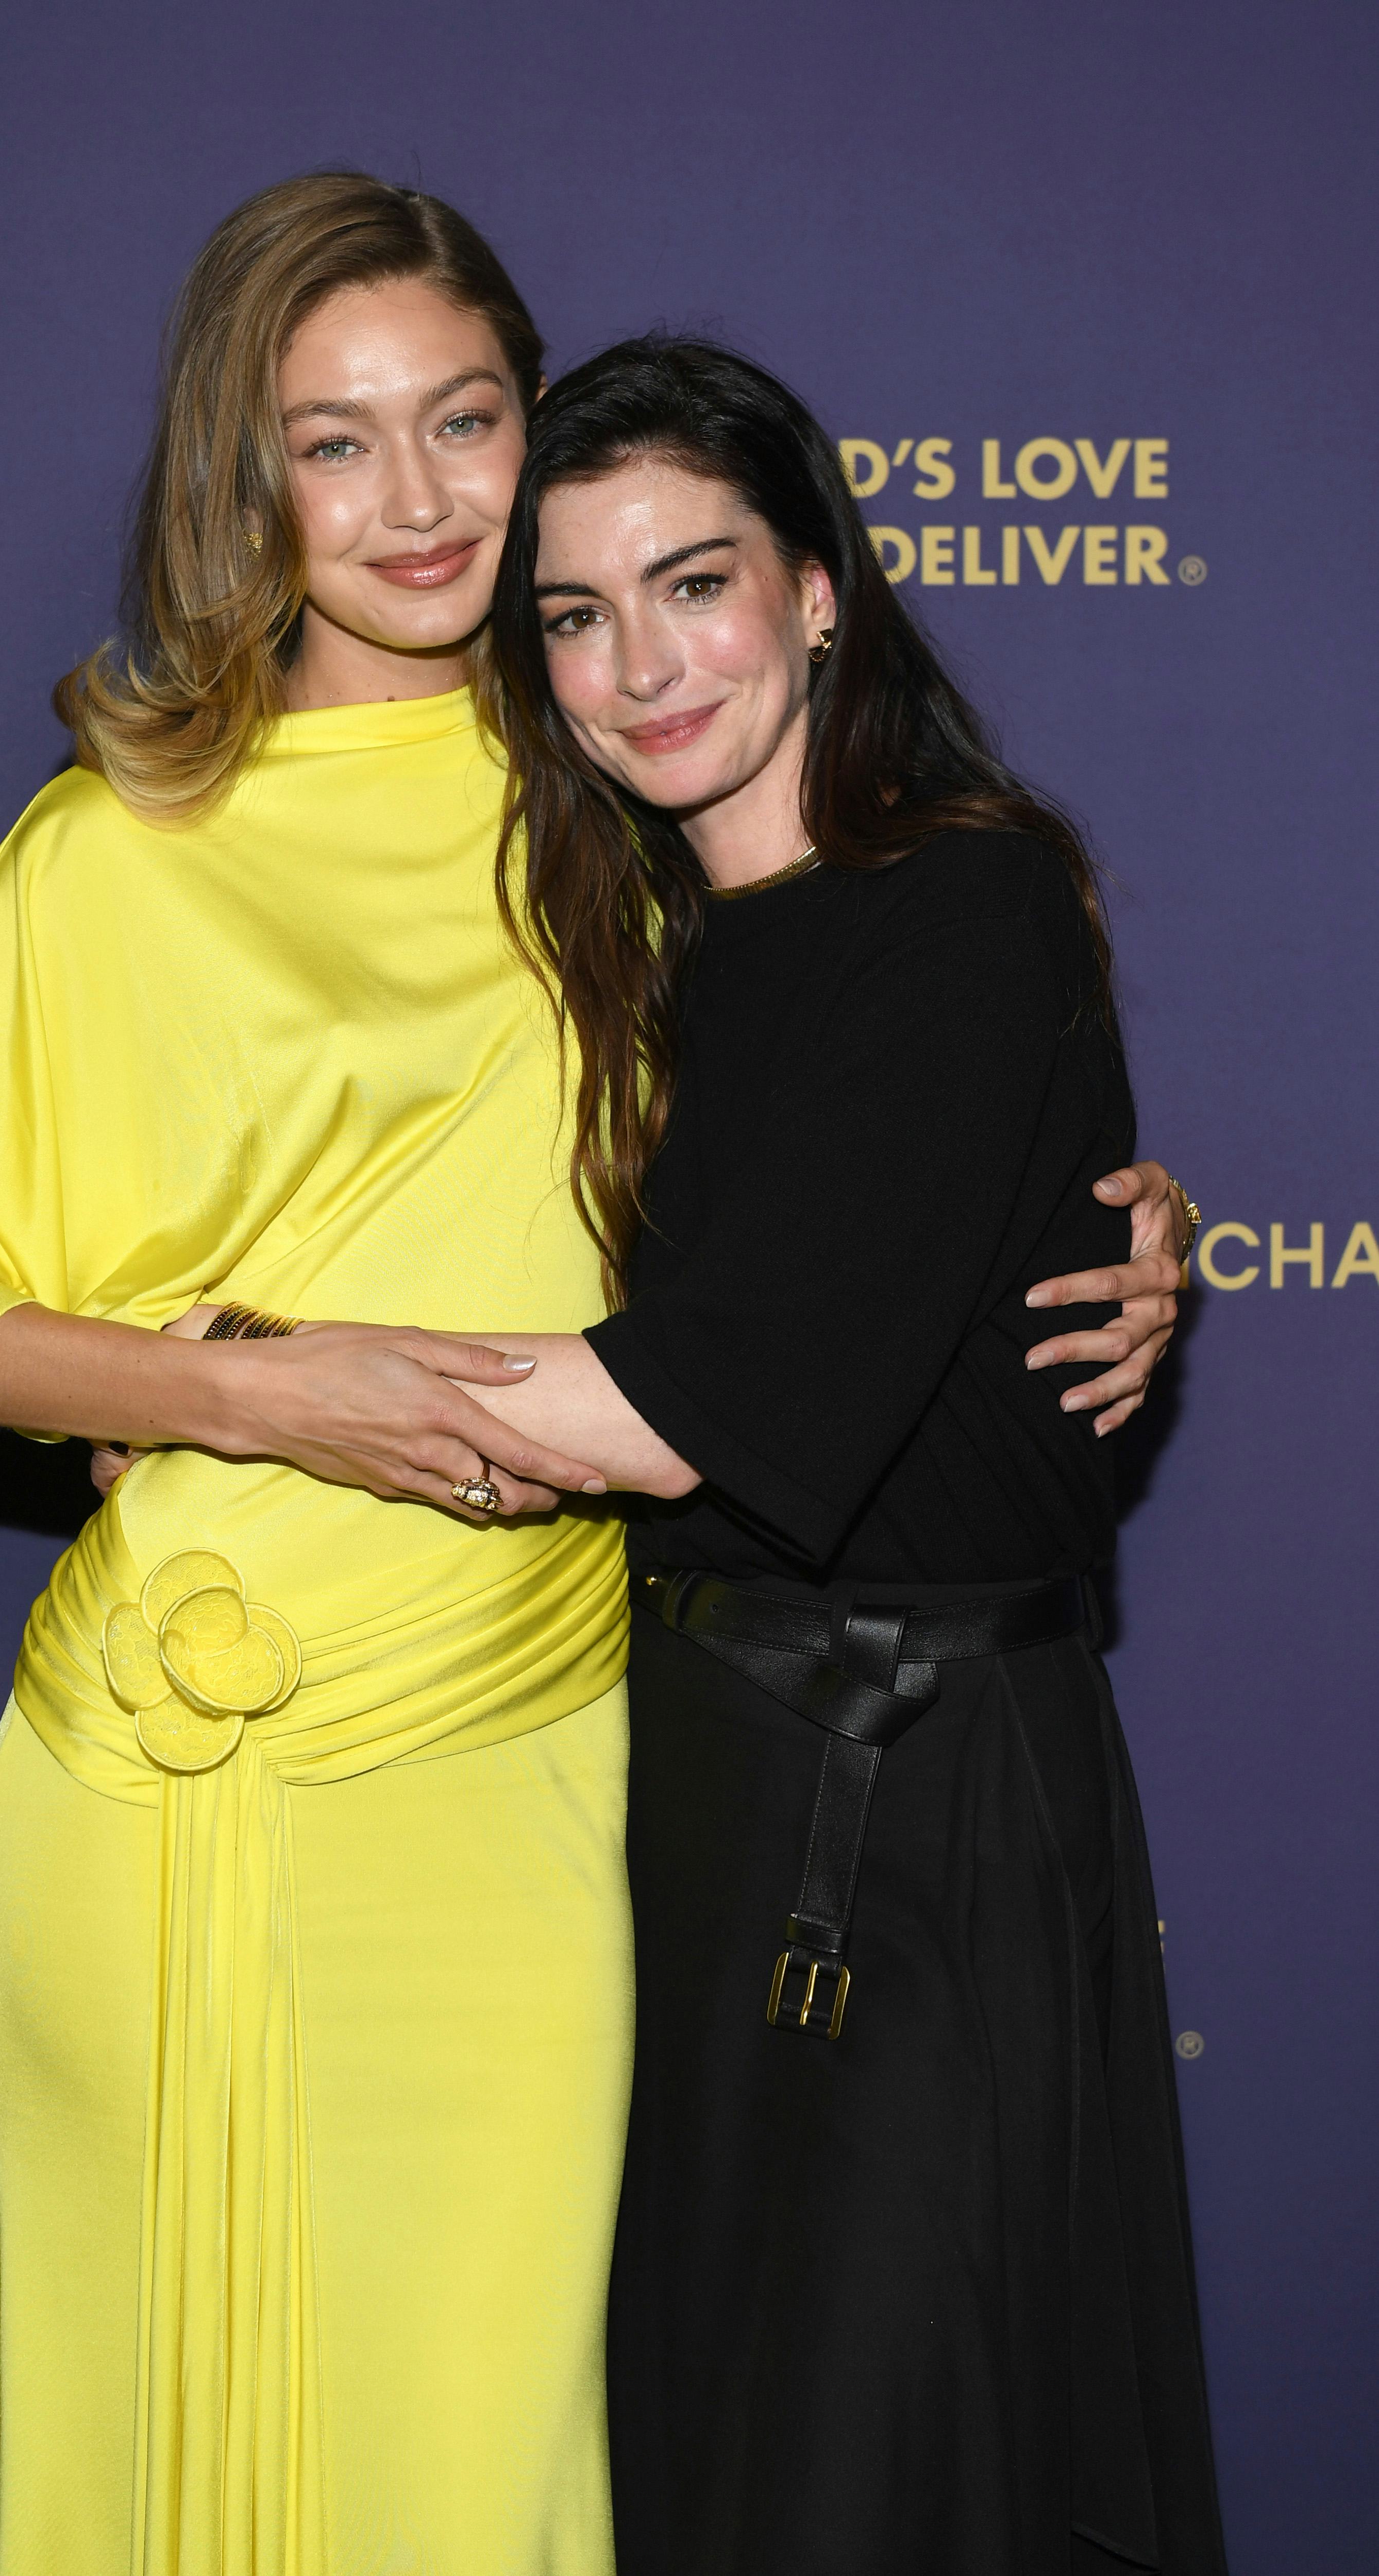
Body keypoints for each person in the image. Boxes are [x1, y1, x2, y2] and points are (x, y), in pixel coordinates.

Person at [0, 172, 1184, 2576]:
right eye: (335, 440)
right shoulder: (119, 842)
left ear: (538, 433)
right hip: (178, 1765)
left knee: (496, 2459)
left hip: (542, 1764)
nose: (414, 500)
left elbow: (854, 1103)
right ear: (250, 477)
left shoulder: (619, 801)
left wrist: (1099, 1207)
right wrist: (245, 1388)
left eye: (467, 419)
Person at [454, 336, 1225, 2574]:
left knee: (893, 2469)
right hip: (693, 1780)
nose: (640, 665)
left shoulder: (965, 905)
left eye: (693, 583)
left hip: (916, 1805)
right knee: (718, 2453)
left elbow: (671, 1407)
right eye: (576, 615)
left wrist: (231, 1385)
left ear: (818, 591)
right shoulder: (636, 950)